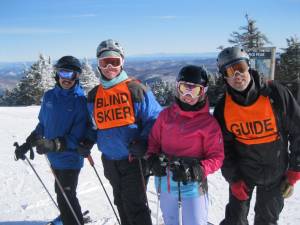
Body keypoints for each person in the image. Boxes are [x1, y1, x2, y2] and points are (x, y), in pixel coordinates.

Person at [214, 46, 300, 225]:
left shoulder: (275, 94)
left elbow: (298, 131)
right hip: (244, 173)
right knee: (235, 220)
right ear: (224, 76)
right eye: (230, 71)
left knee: (267, 221)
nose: (237, 75)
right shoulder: (224, 109)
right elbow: (224, 149)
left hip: (276, 174)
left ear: (249, 66)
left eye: (240, 67)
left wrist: (294, 171)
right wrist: (234, 179)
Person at [86, 39, 161, 225]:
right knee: (120, 202)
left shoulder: (135, 89)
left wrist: (144, 141)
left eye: (115, 61)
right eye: (105, 62)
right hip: (110, 161)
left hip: (133, 160)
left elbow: (155, 119)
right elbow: (93, 126)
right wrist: (86, 141)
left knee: (135, 206)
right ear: (98, 65)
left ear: (122, 63)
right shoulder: (94, 96)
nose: (110, 67)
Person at [15, 56, 89, 225]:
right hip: (53, 157)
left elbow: (77, 136)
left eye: (71, 74)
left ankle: (73, 220)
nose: (66, 78)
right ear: (57, 74)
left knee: (67, 195)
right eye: (63, 72)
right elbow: (43, 124)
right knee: (60, 192)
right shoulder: (49, 96)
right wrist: (28, 143)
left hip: (70, 159)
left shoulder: (80, 102)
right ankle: (66, 216)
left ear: (77, 76)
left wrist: (52, 144)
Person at [147, 65, 224, 225]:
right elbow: (153, 142)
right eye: (184, 88)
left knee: (195, 222)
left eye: (194, 90)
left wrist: (198, 169)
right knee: (171, 221)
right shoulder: (165, 116)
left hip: (193, 185)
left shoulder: (208, 124)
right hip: (165, 181)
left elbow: (217, 157)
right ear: (177, 88)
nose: (188, 95)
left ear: (203, 92)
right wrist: (153, 158)